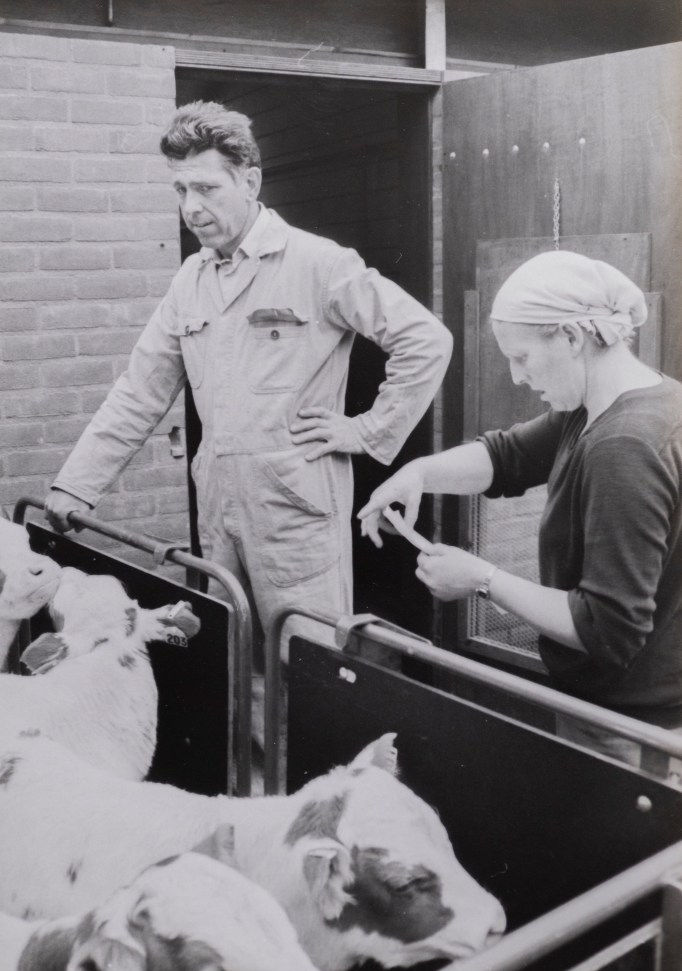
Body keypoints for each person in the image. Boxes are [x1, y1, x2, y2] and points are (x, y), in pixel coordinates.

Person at [45, 101, 452, 681]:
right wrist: (77, 484)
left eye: (207, 188)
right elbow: (140, 390)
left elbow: (426, 341)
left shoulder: (318, 263)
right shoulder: (190, 281)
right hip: (219, 503)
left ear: (250, 182)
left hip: (296, 509)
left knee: (309, 663)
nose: (191, 207)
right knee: (231, 659)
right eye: (181, 190)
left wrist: (365, 430)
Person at [359, 250, 682, 766]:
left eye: (522, 357)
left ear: (572, 337)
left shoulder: (624, 447)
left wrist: (481, 579)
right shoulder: (620, 403)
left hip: (633, 731)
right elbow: (506, 456)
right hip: (627, 708)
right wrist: (418, 473)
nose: (514, 376)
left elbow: (607, 628)